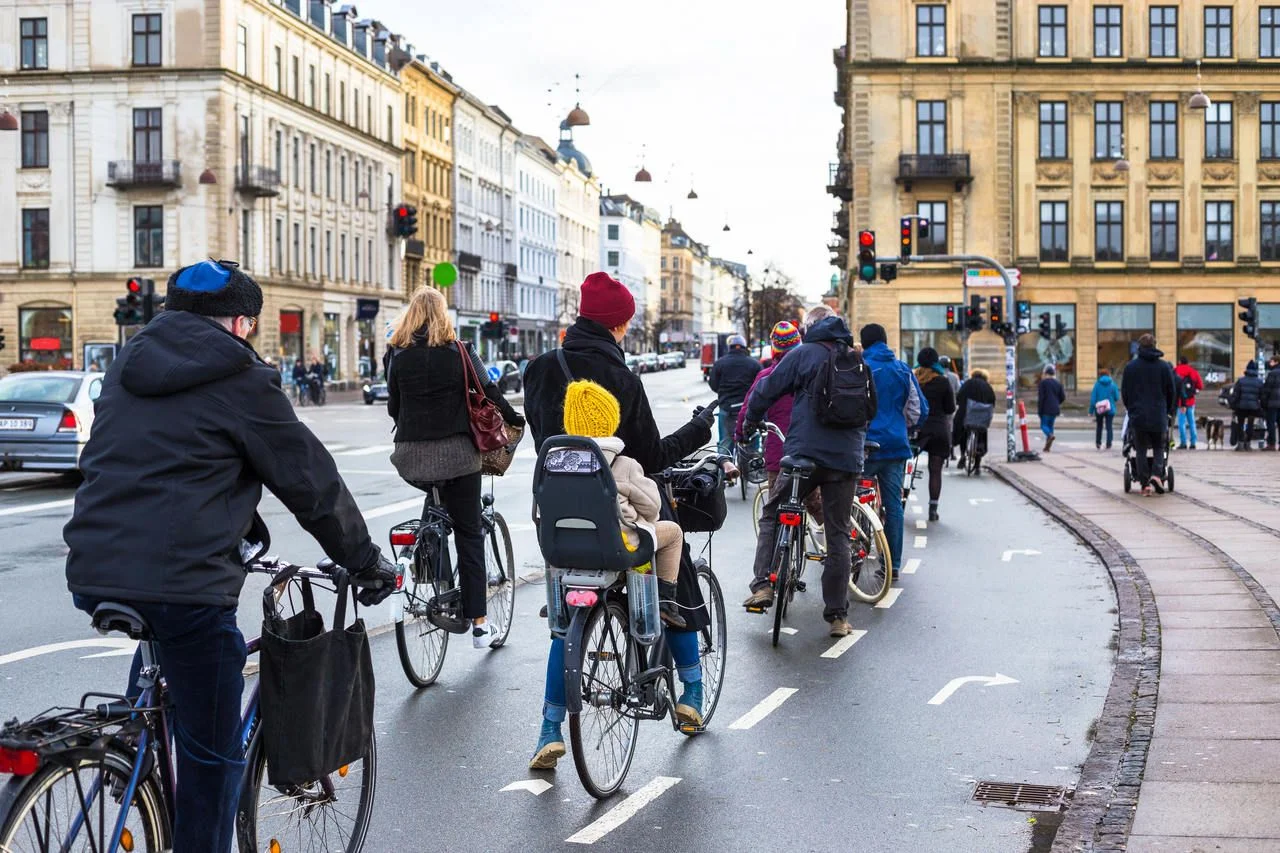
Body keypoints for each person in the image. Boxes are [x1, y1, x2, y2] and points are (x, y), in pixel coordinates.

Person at [63, 259, 396, 853]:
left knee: (165, 659)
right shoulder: (242, 376)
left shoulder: (125, 365)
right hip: (184, 586)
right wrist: (366, 560)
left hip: (93, 568)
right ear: (241, 322)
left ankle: (130, 763)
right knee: (212, 758)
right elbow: (309, 481)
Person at [523, 271, 712, 769]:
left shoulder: (539, 369)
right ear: (620, 325)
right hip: (620, 516)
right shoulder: (623, 380)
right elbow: (650, 458)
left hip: (558, 525)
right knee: (678, 568)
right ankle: (692, 690)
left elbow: (541, 439)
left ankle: (548, 729)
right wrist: (697, 431)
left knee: (564, 626)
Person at [386, 286, 525, 648]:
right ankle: (479, 624)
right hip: (459, 457)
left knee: (435, 504)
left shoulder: (397, 355)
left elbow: (393, 408)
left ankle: (436, 571)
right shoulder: (461, 351)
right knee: (468, 533)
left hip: (411, 459)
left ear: (411, 316)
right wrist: (514, 419)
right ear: (443, 315)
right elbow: (489, 390)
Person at [741, 310, 873, 637]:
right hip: (845, 460)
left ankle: (763, 585)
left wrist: (748, 423)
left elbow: (766, 389)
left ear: (810, 330)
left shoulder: (802, 354)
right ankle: (838, 617)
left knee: (774, 511)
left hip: (804, 454)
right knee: (838, 534)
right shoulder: (856, 358)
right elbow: (870, 408)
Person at [562, 379, 686, 628]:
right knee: (672, 533)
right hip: (616, 547)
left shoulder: (554, 462)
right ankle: (664, 601)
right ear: (611, 420)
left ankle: (562, 601)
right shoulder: (623, 465)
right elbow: (653, 507)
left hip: (565, 549)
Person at [733, 320, 821, 524]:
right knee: (816, 503)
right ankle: (835, 545)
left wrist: (740, 435)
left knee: (776, 512)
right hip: (811, 448)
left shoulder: (767, 375)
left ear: (774, 349)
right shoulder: (812, 372)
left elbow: (749, 407)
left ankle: (776, 553)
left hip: (779, 451)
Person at [859, 323, 926, 576]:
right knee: (893, 505)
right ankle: (892, 563)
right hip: (896, 447)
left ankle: (858, 546)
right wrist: (902, 427)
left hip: (864, 445)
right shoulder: (902, 369)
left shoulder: (861, 368)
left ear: (864, 344)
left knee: (854, 499)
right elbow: (918, 410)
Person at [1120, 333, 1177, 494]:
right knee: (1159, 447)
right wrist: (1168, 410)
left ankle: (1144, 484)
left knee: (1141, 449)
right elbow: (1171, 391)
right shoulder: (1164, 367)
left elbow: (1125, 392)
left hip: (1138, 415)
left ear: (1139, 347)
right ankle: (1157, 476)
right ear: (1155, 345)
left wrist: (1131, 409)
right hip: (1158, 414)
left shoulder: (1131, 367)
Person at [912, 348, 955, 522]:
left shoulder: (914, 379)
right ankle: (933, 508)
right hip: (938, 430)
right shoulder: (943, 382)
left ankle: (901, 501)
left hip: (917, 430)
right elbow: (950, 408)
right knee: (935, 471)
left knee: (906, 465)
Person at [708, 333, 763, 456]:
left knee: (725, 444)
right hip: (749, 410)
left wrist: (724, 393)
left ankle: (724, 472)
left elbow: (713, 384)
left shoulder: (720, 364)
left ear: (730, 347)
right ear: (744, 347)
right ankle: (752, 472)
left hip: (727, 408)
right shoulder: (754, 364)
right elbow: (761, 387)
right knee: (752, 443)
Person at [954, 368, 996, 467]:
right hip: (982, 417)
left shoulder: (968, 383)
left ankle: (963, 455)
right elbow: (992, 401)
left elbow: (959, 397)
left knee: (962, 431)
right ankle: (977, 463)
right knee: (981, 433)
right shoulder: (987, 386)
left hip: (966, 414)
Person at [1229, 360, 1265, 451]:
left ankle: (1240, 444)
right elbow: (1262, 396)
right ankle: (1248, 444)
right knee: (1250, 424)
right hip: (1254, 407)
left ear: (1247, 369)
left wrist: (1233, 405)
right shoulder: (1259, 382)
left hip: (1241, 407)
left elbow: (1235, 395)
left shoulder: (1241, 380)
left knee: (1240, 424)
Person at [1173, 355, 1205, 449]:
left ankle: (1183, 443)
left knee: (1181, 423)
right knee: (1192, 422)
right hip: (1190, 401)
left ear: (1179, 361)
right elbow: (1200, 386)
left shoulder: (1175, 371)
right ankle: (1193, 442)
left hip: (1179, 402)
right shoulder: (1193, 371)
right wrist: (1194, 390)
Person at [1090, 368, 1121, 450]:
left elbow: (1093, 399)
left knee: (1099, 426)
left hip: (1099, 409)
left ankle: (1098, 443)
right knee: (1109, 427)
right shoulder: (1112, 384)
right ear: (1108, 375)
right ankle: (1109, 444)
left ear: (1100, 375)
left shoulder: (1097, 384)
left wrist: (1091, 411)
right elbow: (1117, 397)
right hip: (1110, 409)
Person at [1037, 365, 1066, 452]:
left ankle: (1049, 435)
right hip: (1055, 408)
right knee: (1050, 425)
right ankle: (1047, 446)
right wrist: (1057, 403)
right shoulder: (1058, 383)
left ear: (1046, 374)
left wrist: (1039, 409)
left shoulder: (1043, 383)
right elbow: (1063, 397)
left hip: (1046, 408)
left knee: (1044, 426)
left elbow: (1041, 397)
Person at [1263, 356, 1280, 450]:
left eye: (1271, 361)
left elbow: (1267, 389)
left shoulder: (1272, 373)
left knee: (1271, 423)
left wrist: (1264, 402)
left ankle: (1271, 444)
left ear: (1276, 362)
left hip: (1273, 403)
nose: (1269, 363)